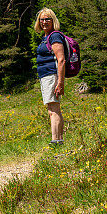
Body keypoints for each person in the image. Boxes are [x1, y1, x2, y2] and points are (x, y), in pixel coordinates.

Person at [34, 8, 65, 145]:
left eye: (47, 19)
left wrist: (60, 82)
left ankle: (56, 141)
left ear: (53, 21)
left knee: (54, 109)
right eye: (42, 19)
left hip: (52, 76)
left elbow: (61, 60)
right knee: (52, 109)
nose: (44, 22)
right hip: (46, 76)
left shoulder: (54, 36)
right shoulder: (46, 37)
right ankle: (58, 140)